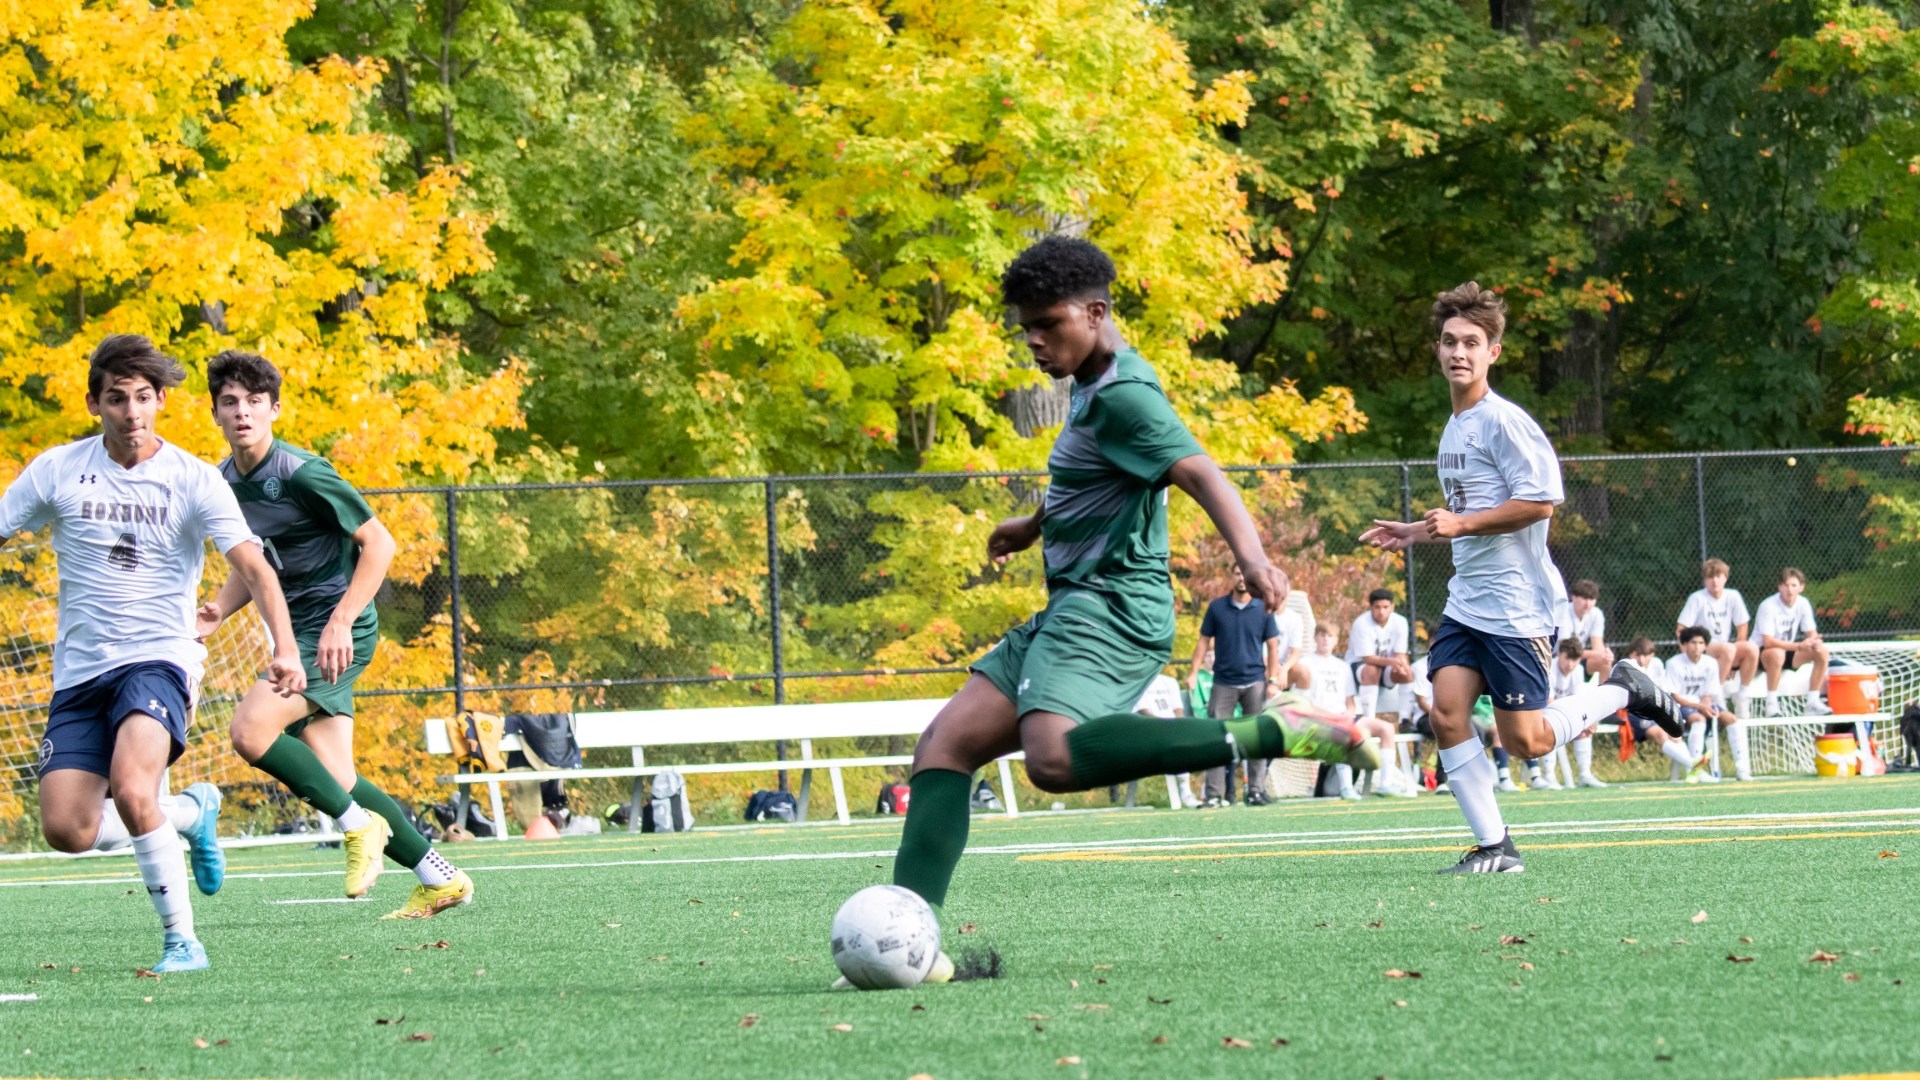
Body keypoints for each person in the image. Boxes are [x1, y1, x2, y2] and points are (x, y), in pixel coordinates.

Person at [885, 236, 1378, 934]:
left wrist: (1254, 559)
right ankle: (909, 934)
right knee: (943, 747)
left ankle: (1273, 730)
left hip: (1112, 607)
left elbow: (1199, 471)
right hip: (1076, 602)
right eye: (1025, 328)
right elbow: (1095, 478)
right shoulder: (1091, 385)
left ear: (1095, 313)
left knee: (1053, 758)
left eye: (1047, 324)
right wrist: (1033, 525)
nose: (1033, 341)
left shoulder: (1125, 396)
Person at [0, 334, 307, 973]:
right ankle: (191, 814)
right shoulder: (57, 469)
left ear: (162, 400)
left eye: (144, 397)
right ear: (95, 404)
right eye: (117, 399)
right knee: (67, 830)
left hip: (160, 660)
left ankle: (182, 942)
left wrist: (286, 647)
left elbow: (255, 567)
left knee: (134, 787)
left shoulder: (194, 478)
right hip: (81, 670)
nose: (132, 412)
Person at [1362, 282, 1679, 874]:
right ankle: (1496, 846)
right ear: (1437, 349)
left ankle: (1625, 690)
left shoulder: (1504, 422)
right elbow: (1466, 514)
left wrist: (1460, 523)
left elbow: (1540, 503)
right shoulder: (1454, 427)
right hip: (1467, 602)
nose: (1459, 352)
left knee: (1525, 741)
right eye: (1450, 341)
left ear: (1493, 353)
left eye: (1471, 343)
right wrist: (1416, 531)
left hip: (1517, 606)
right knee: (1446, 713)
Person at [195, 351, 472, 919]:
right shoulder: (223, 482)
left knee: (250, 730)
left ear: (274, 409)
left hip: (338, 630)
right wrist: (217, 610)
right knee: (338, 777)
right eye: (230, 402)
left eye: (254, 402)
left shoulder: (302, 472)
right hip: (299, 635)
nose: (243, 412)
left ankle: (357, 828)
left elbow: (381, 544)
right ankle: (439, 877)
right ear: (215, 413)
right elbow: (255, 566)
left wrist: (342, 619)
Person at [1187, 565, 1284, 806]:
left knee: (1257, 738)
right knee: (1216, 738)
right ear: (1232, 577)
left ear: (1251, 579)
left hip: (1255, 681)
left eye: (1244, 574)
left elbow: (1273, 647)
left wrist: (1273, 680)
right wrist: (1193, 672)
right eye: (1237, 574)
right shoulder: (1217, 607)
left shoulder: (1263, 607)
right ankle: (1213, 795)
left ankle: (1255, 791)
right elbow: (1203, 642)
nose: (1241, 579)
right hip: (1223, 682)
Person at [1623, 637, 1714, 783]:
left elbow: (1662, 691)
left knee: (1675, 735)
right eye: (1637, 655)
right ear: (1631, 654)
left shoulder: (1657, 664)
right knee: (1660, 734)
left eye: (1645, 655)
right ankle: (1693, 765)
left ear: (1652, 655)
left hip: (1655, 709)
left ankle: (1693, 772)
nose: (1641, 659)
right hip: (1636, 711)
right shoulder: (1626, 666)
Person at [1676, 558, 1759, 715]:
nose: (1714, 581)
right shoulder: (1697, 598)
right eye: (1710, 577)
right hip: (1704, 648)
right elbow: (1681, 629)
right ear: (1705, 580)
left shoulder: (1733, 596)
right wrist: (1687, 655)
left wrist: (1733, 664)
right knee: (1728, 649)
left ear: (1725, 578)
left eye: (1718, 576)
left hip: (1726, 649)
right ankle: (1715, 694)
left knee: (1752, 648)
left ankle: (1743, 694)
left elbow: (1742, 626)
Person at [1667, 626, 1749, 781]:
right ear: (1685, 644)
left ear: (1705, 646)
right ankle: (1695, 769)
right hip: (1681, 706)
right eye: (1693, 642)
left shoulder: (1710, 663)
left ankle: (1742, 768)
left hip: (1702, 704)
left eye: (1701, 643)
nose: (1697, 647)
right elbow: (1675, 696)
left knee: (1732, 719)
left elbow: (1708, 693)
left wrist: (1705, 706)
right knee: (1699, 719)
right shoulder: (1674, 663)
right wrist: (1700, 707)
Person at [1754, 566, 1831, 717]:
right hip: (1761, 654)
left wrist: (1815, 642)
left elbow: (1811, 633)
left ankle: (1813, 703)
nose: (1789, 590)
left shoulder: (1803, 603)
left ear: (1801, 587)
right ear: (1779, 587)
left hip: (1787, 651)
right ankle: (1771, 705)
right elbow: (1768, 642)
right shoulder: (1768, 605)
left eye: (1794, 585)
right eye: (1786, 585)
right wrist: (1799, 646)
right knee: (1777, 654)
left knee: (1822, 652)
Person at [1133, 671, 1202, 808]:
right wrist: (1164, 727)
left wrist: (1179, 726)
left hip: (1172, 730)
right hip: (1149, 730)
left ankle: (1189, 794)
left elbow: (1178, 710)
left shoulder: (1169, 681)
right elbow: (1143, 712)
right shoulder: (1138, 682)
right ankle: (1185, 795)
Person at [1346, 589, 1413, 722]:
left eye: (1385, 607)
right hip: (1360, 668)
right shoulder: (1361, 623)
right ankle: (1369, 720)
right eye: (1377, 607)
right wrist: (1393, 662)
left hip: (1387, 667)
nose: (1381, 611)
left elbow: (1400, 654)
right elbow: (1368, 658)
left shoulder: (1400, 622)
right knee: (1372, 670)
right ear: (1371, 607)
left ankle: (1405, 720)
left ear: (1392, 607)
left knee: (1406, 672)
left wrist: (1401, 665)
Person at [1549, 637, 1606, 788]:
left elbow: (1578, 702)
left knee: (1586, 728)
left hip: (1566, 715)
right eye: (1567, 658)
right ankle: (1549, 777)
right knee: (1549, 731)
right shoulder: (1549, 668)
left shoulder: (1578, 671)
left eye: (1574, 660)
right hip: (1548, 715)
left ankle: (1584, 775)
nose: (1570, 664)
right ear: (1559, 654)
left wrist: (1587, 721)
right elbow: (1549, 704)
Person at [1559, 579, 1615, 674]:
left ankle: (1603, 685)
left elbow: (1598, 647)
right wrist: (1599, 653)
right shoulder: (1564, 612)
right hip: (1559, 659)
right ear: (1574, 597)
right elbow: (1566, 650)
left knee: (1605, 662)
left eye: (1591, 599)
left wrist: (1606, 655)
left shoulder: (1597, 614)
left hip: (1579, 658)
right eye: (1584, 598)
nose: (1588, 604)